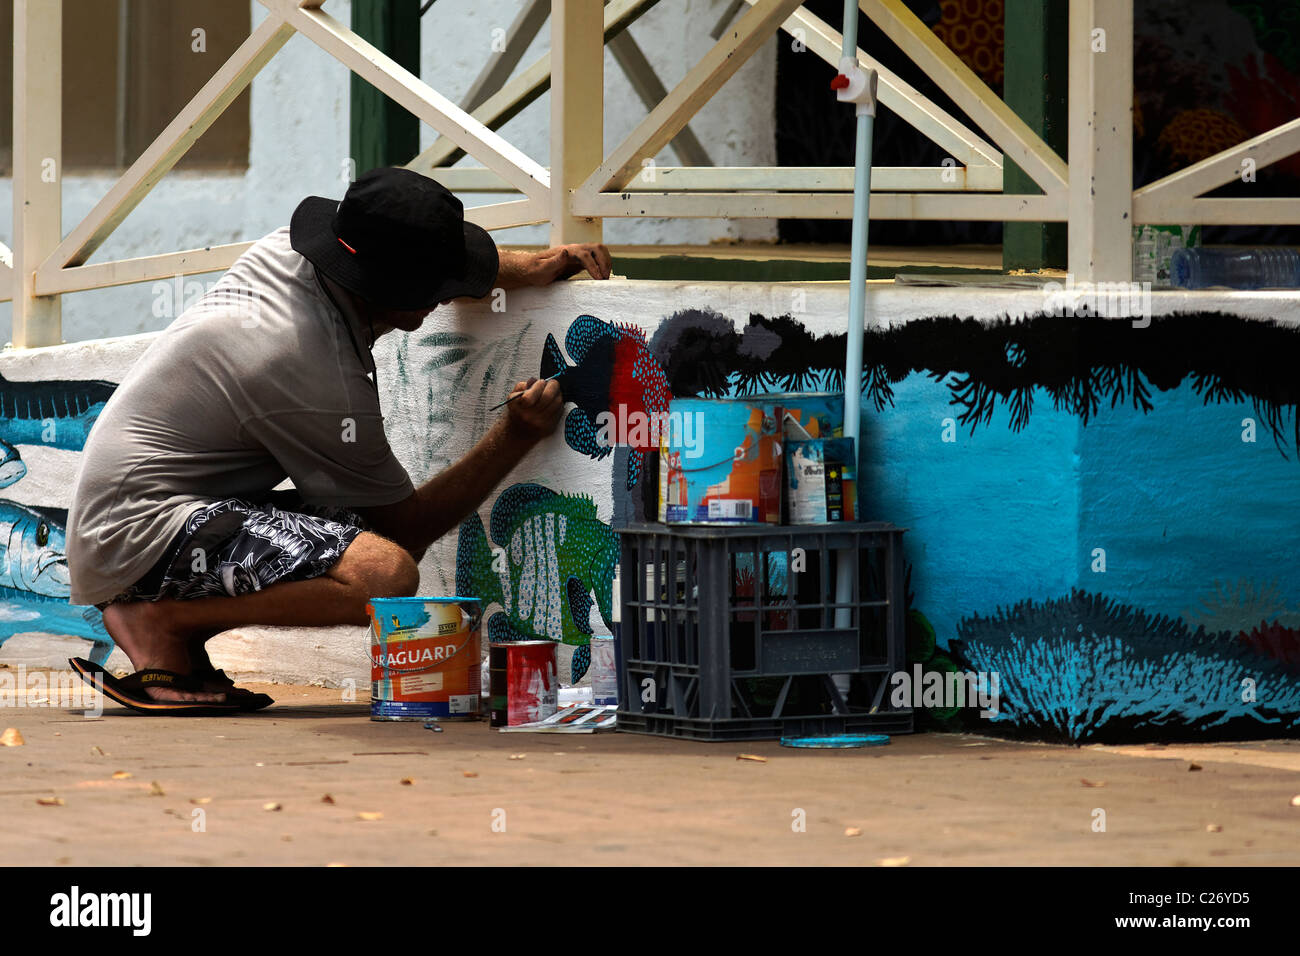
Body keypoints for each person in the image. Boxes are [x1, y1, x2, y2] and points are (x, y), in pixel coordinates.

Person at [66, 166, 612, 713]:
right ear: (386, 287)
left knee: (368, 533)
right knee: (385, 572)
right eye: (436, 290)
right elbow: (407, 525)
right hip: (139, 535)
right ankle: (160, 620)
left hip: (147, 513)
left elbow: (412, 260)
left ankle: (178, 627)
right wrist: (515, 435)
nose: (444, 302)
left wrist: (536, 265)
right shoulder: (304, 361)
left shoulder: (296, 254)